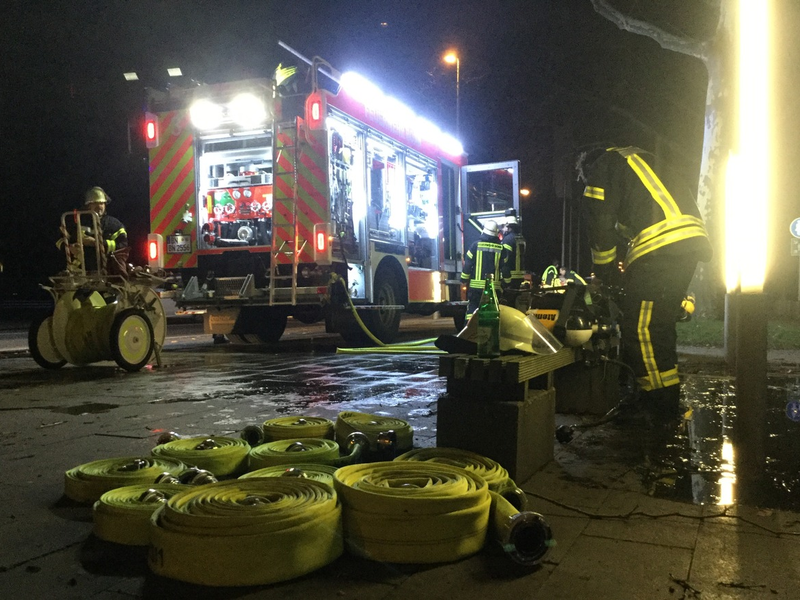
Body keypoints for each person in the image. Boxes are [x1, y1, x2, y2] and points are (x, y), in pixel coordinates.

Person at [579, 145, 712, 424]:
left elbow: (600, 221)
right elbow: (636, 215)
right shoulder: (637, 160)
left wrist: (605, 271)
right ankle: (667, 398)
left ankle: (655, 405)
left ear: (586, 168)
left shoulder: (602, 166)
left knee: (639, 328)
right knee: (659, 326)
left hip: (661, 247)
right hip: (689, 242)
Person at [460, 220, 503, 320]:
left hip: (476, 288)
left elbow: (468, 265)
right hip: (494, 288)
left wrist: (463, 280)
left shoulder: (475, 246)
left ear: (484, 231)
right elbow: (504, 267)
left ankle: (470, 328)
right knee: (492, 312)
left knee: (472, 310)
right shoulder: (501, 248)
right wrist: (506, 283)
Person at [500, 208, 526, 289]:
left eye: (503, 227)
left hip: (511, 276)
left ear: (508, 227)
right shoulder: (521, 238)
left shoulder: (508, 240)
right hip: (520, 275)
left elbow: (505, 260)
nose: (502, 229)